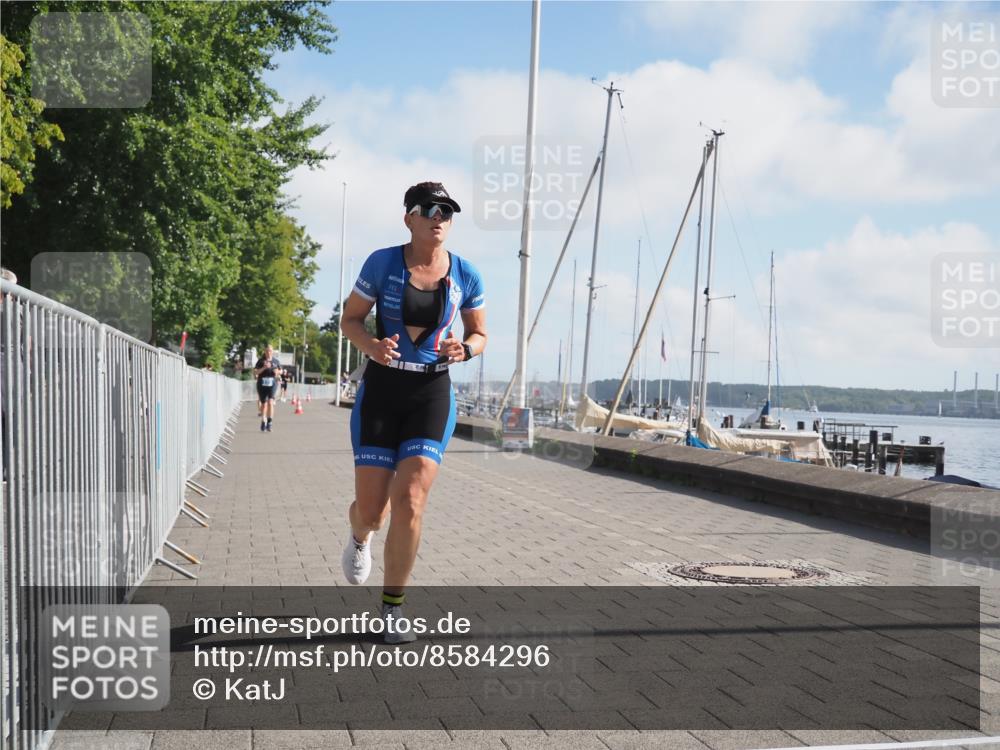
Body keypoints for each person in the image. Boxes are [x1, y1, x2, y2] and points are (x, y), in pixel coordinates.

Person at [339, 181, 486, 643]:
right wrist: (371, 347)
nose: (439, 217)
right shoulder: (382, 263)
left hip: (431, 391)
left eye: (447, 211)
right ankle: (360, 537)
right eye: (430, 209)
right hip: (382, 389)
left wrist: (467, 349)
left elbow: (480, 333)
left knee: (412, 499)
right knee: (373, 511)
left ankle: (392, 610)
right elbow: (350, 320)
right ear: (409, 217)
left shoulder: (466, 272)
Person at [254, 344, 283, 432]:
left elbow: (281, 371)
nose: (268, 352)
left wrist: (277, 372)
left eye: (270, 351)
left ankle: (269, 423)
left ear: (272, 352)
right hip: (262, 384)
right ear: (265, 352)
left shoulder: (276, 361)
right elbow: (255, 372)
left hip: (273, 383)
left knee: (270, 402)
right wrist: (263, 368)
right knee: (264, 404)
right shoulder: (261, 361)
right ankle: (263, 420)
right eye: (267, 351)